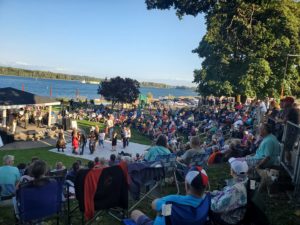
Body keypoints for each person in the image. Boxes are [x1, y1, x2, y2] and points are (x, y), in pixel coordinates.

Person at [130, 168, 209, 225]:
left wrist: (162, 204)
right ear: (205, 187)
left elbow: (154, 204)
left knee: (135, 213)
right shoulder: (207, 200)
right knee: (164, 211)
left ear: (187, 185)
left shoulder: (172, 201)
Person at [211, 158, 249, 225]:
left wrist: (209, 199)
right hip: (238, 209)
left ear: (232, 171)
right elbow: (225, 192)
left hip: (230, 218)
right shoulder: (246, 180)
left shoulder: (235, 189)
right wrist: (213, 193)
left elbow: (216, 208)